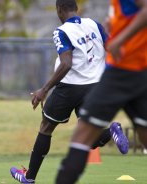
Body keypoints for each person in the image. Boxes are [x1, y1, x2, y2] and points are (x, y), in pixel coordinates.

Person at [10, 0, 130, 183]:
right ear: (77, 8)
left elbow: (66, 63)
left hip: (70, 87)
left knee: (46, 128)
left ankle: (29, 177)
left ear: (59, 10)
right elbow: (112, 49)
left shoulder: (61, 31)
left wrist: (44, 89)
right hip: (94, 85)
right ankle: (111, 131)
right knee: (86, 137)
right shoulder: (94, 24)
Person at [55, 0, 147, 183]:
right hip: (132, 70)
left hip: (124, 70)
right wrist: (113, 24)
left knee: (82, 136)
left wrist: (119, 39)